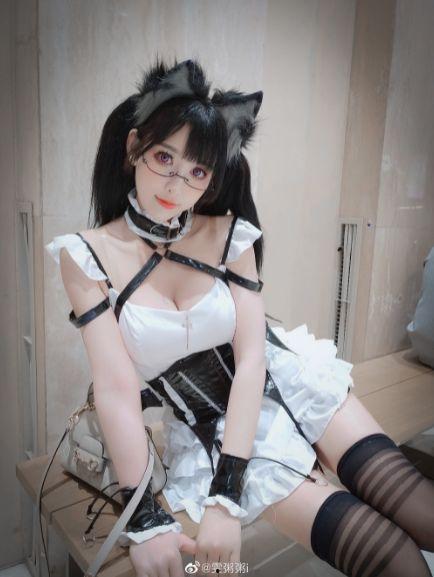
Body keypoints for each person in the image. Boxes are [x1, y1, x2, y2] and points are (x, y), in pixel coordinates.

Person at [46, 58, 434, 577]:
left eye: (197, 171)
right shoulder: (85, 256)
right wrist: (145, 519)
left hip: (287, 379)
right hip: (210, 428)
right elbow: (116, 389)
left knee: (423, 513)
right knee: (394, 558)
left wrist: (228, 493)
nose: (176, 184)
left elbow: (252, 359)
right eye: (164, 157)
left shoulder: (230, 234)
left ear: (211, 180)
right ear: (134, 146)